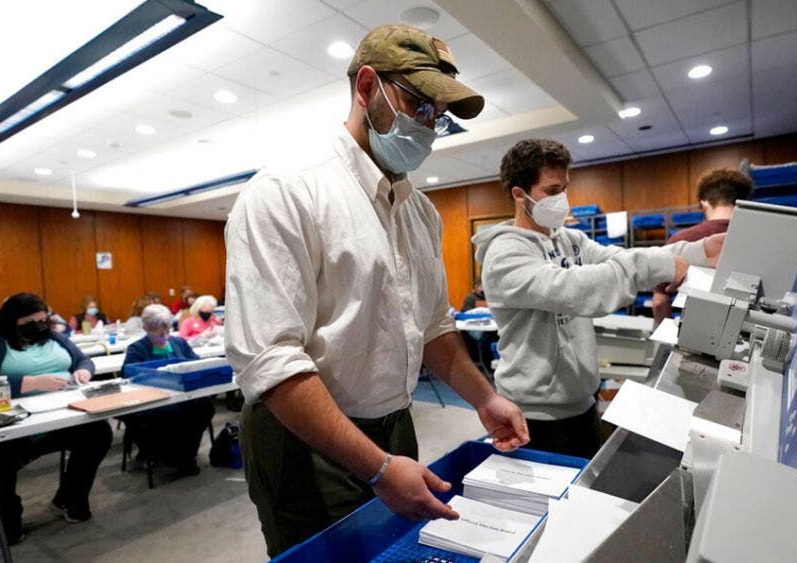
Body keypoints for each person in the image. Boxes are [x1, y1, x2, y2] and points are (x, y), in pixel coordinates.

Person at [224, 23, 529, 557]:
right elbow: (271, 361)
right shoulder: (287, 191)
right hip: (302, 440)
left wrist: (486, 398)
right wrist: (380, 469)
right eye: (420, 106)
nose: (430, 126)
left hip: (394, 424)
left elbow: (432, 325)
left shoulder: (419, 210)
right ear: (367, 87)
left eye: (439, 115)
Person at [472, 138, 724, 459]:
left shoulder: (570, 239)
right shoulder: (505, 255)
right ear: (519, 195)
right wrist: (664, 266)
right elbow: (576, 290)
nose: (562, 199)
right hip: (535, 415)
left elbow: (621, 258)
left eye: (564, 188)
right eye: (552, 191)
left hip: (582, 402)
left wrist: (697, 252)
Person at [0, 293, 112, 543]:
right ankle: (7, 516)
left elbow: (82, 359)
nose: (38, 326)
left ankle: (70, 499)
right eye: (29, 322)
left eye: (42, 320)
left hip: (59, 414)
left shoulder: (52, 336)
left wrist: (83, 371)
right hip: (11, 422)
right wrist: (31, 383)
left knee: (98, 433)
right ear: (11, 320)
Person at [121, 304, 214, 477]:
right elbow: (128, 376)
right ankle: (172, 456)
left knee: (204, 407)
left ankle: (186, 455)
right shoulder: (137, 349)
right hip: (154, 399)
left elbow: (196, 363)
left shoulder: (179, 343)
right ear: (147, 329)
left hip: (183, 396)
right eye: (159, 333)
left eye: (167, 331)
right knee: (169, 413)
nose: (164, 337)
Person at [652, 168, 754, 324]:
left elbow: (659, 302)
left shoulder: (681, 241)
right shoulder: (757, 240)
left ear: (704, 203)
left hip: (692, 333)